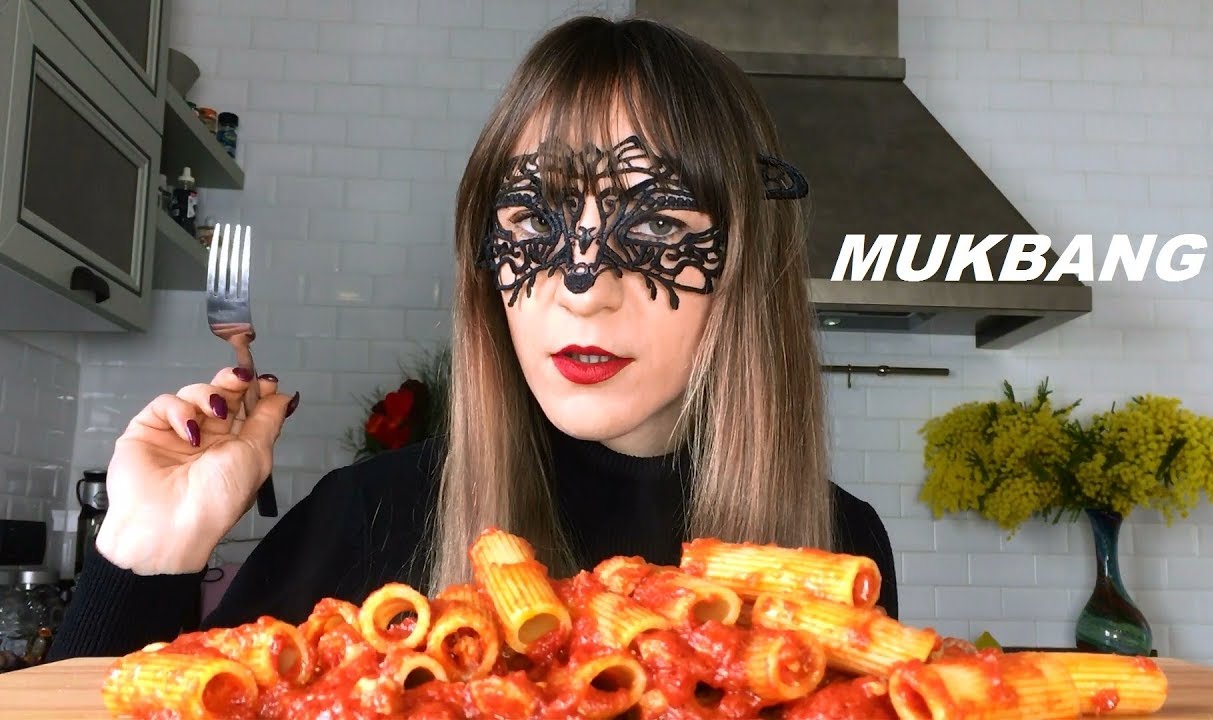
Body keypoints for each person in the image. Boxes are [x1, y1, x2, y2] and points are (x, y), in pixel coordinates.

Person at [50, 14, 897, 660]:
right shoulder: (368, 518)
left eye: (656, 225)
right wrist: (149, 548)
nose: (583, 290)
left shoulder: (841, 544)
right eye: (534, 219)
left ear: (746, 256)